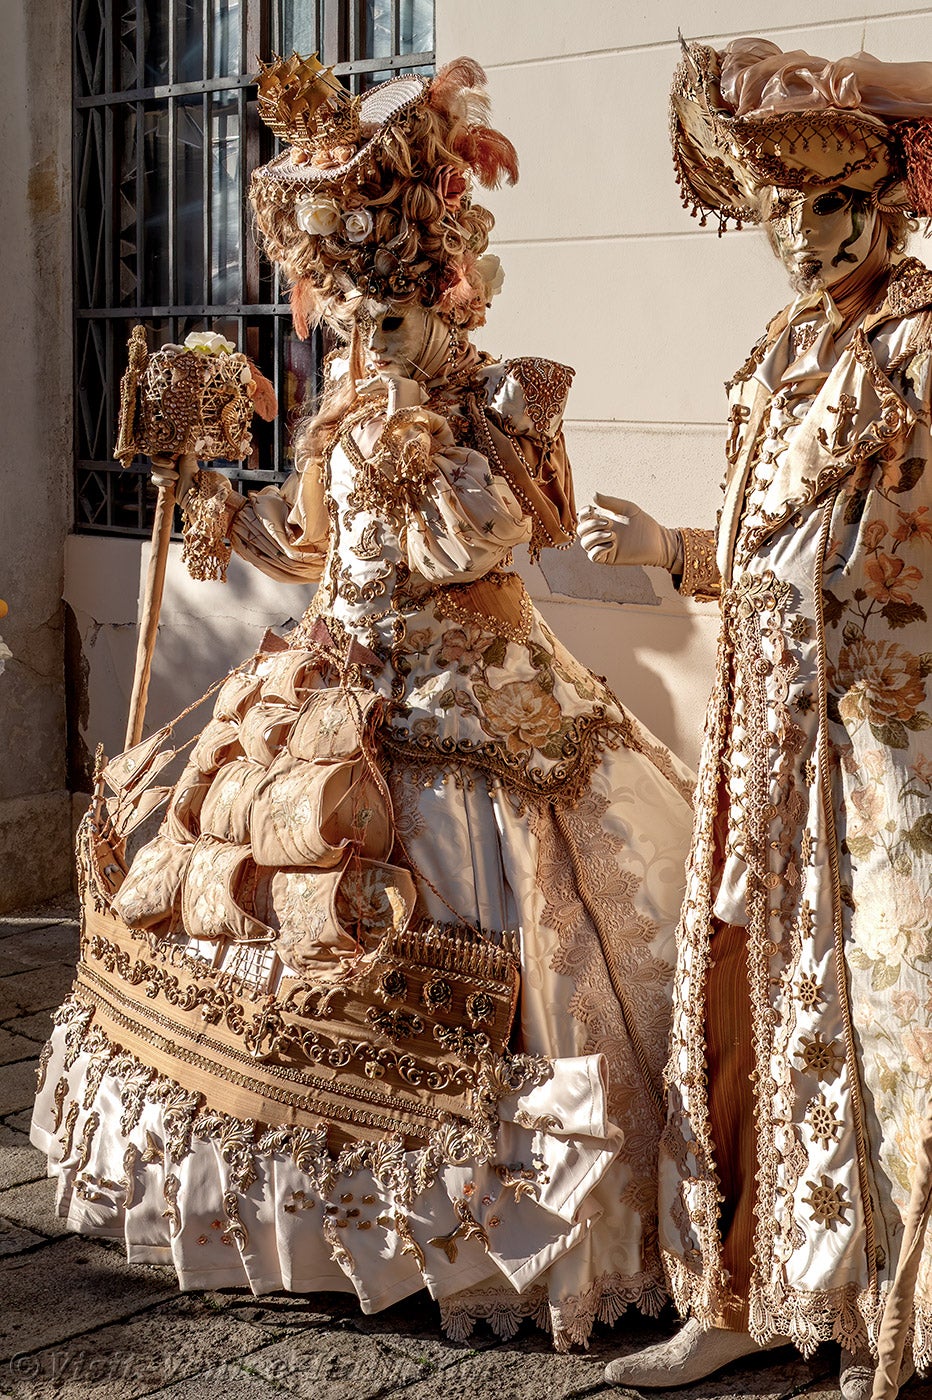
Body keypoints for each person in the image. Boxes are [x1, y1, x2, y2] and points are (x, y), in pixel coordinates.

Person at [31, 56, 695, 1350]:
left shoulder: (499, 404)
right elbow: (322, 543)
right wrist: (230, 512)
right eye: (344, 305)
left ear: (439, 292)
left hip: (475, 715)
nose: (355, 330)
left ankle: (500, 1230)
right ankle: (305, 1225)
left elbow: (491, 538)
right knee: (256, 902)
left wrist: (419, 435)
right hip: (329, 707)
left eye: (382, 307)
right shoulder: (345, 400)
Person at [578, 35, 932, 1399]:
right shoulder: (784, 348)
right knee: (736, 997)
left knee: (882, 1020)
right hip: (758, 741)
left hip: (877, 756)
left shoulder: (917, 343)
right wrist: (672, 551)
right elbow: (769, 544)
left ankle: (877, 1307)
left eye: (828, 203)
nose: (800, 236)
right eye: (779, 209)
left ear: (883, 200)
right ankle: (740, 1290)